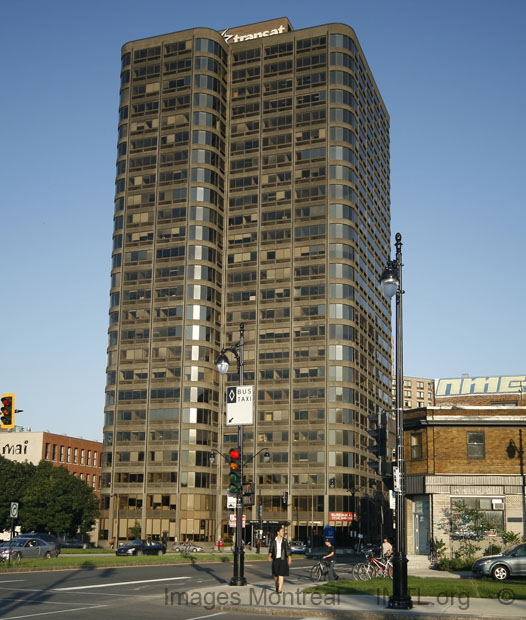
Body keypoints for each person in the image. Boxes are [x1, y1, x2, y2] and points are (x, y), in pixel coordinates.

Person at [268, 525, 291, 593]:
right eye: (282, 531)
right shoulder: (273, 540)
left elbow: (287, 550)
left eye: (283, 531)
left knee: (281, 574)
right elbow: (271, 549)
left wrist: (289, 558)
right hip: (275, 559)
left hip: (283, 559)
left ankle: (280, 589)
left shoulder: (284, 540)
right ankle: (276, 584)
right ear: (278, 532)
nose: (283, 532)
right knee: (276, 575)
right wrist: (269, 556)